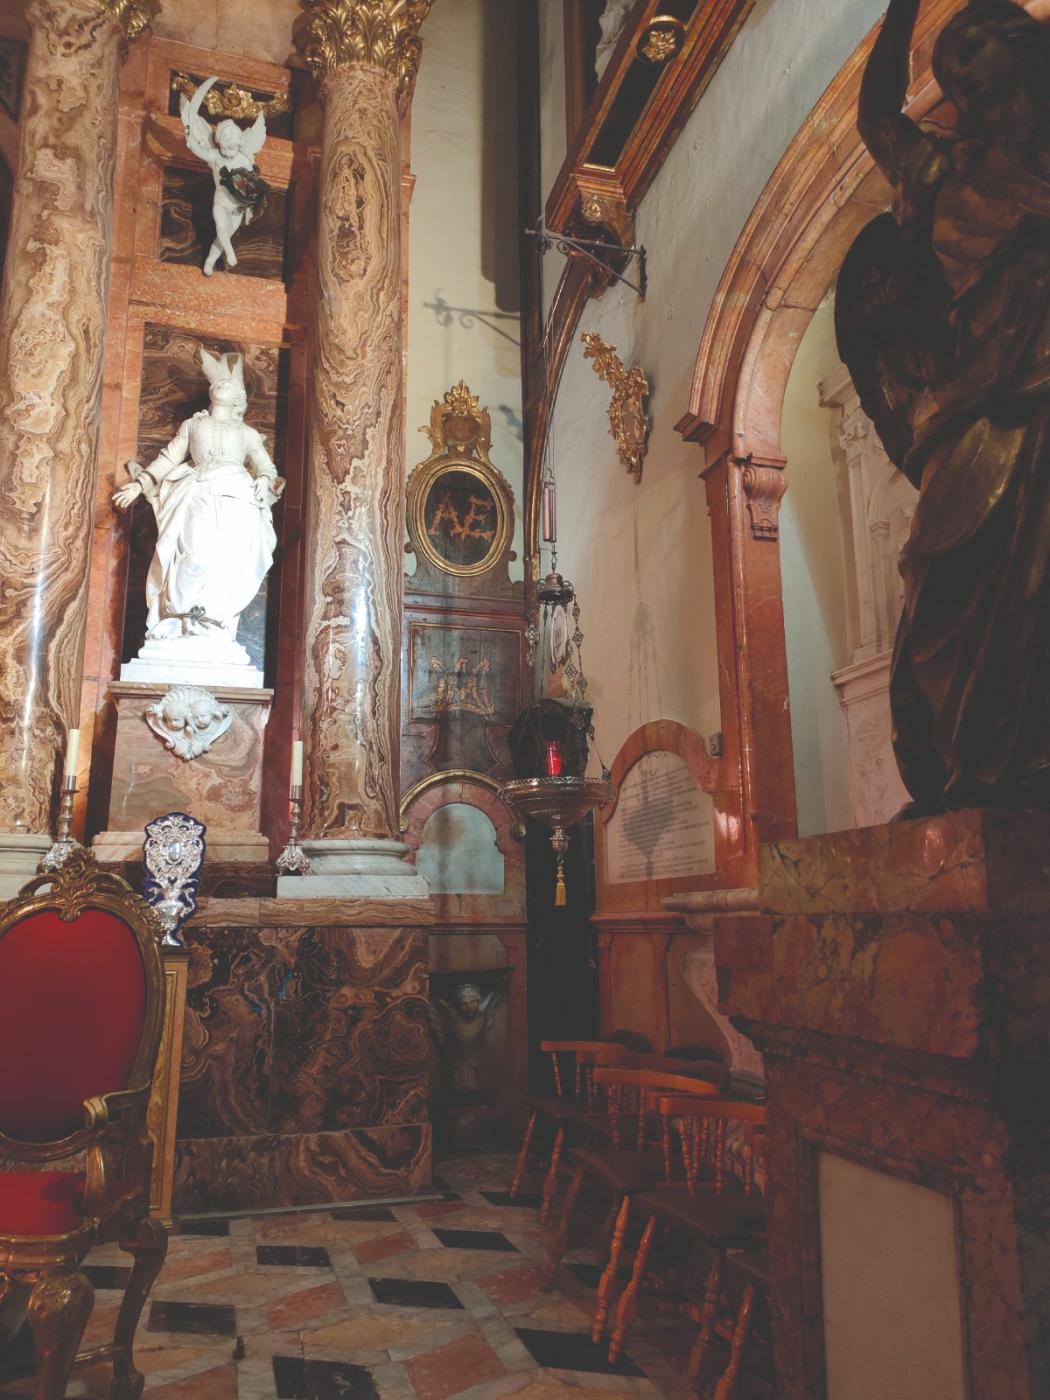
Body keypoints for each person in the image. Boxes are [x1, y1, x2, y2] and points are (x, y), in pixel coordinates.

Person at [837, 0, 1050, 812]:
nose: (972, 94)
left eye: (989, 77)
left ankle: (1019, 771)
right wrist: (900, 11)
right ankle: (966, 766)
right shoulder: (942, 175)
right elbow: (874, 115)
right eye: (959, 83)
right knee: (939, 572)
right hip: (978, 402)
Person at [113, 350, 284, 649]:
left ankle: (212, 621)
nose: (222, 385)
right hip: (200, 492)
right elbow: (168, 459)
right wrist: (139, 485)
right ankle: (181, 618)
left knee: (228, 561)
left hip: (237, 498)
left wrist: (265, 479)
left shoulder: (247, 433)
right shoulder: (194, 426)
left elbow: (266, 466)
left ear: (238, 398)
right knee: (196, 555)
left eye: (229, 384)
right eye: (219, 383)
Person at [180, 77, 268, 276]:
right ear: (219, 143)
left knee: (224, 236)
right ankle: (230, 254)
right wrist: (190, 136)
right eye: (226, 147)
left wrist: (250, 205)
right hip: (220, 201)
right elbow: (198, 150)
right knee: (221, 226)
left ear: (238, 143)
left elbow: (253, 183)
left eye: (233, 147)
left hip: (237, 206)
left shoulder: (244, 160)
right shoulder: (215, 157)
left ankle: (210, 261)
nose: (229, 151)